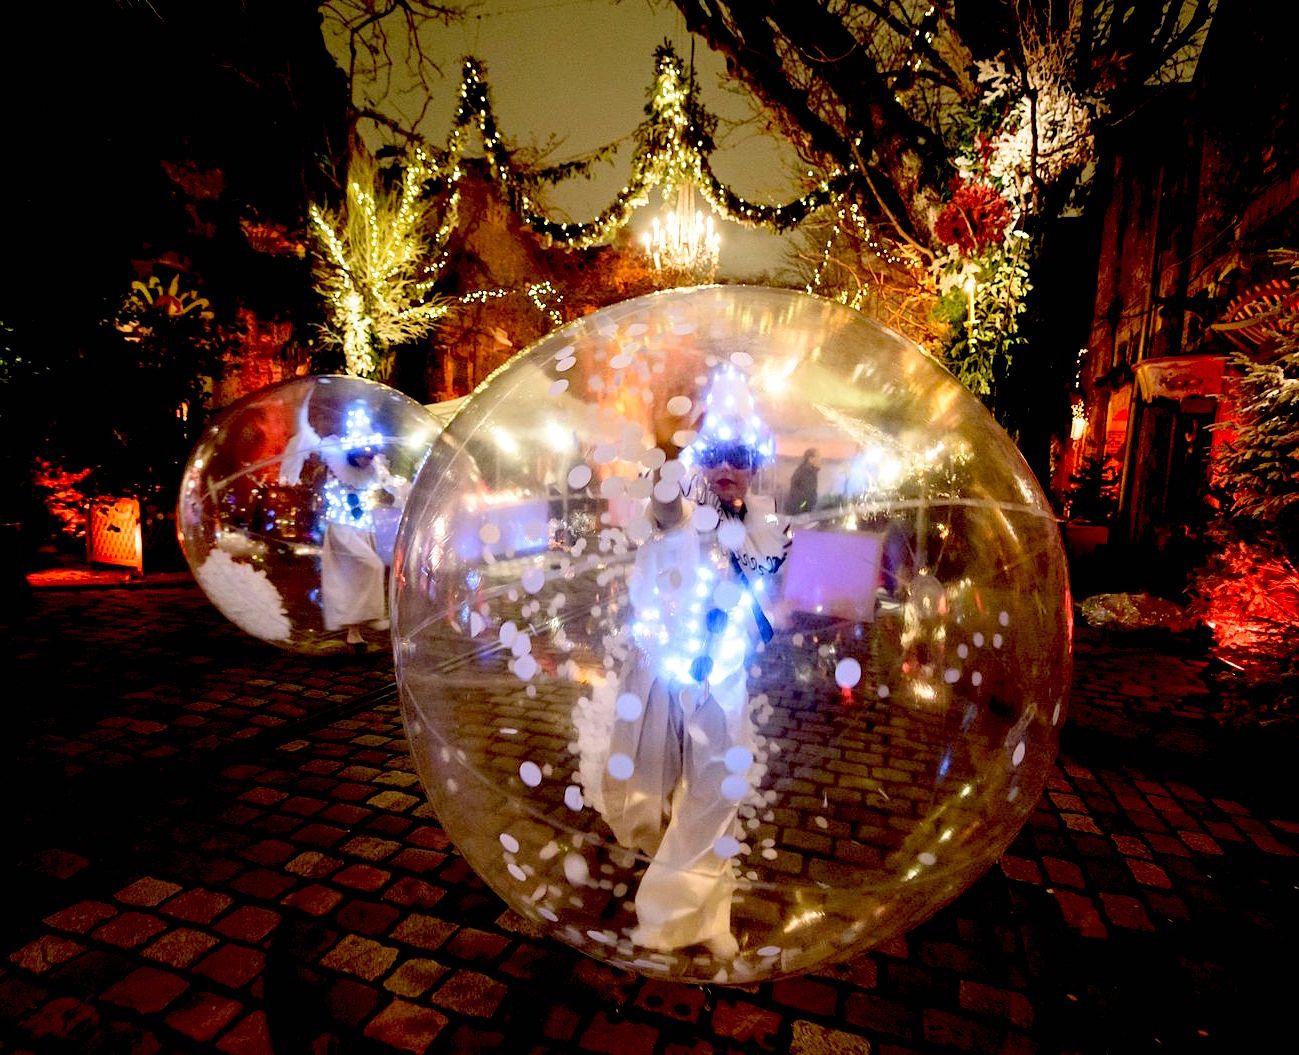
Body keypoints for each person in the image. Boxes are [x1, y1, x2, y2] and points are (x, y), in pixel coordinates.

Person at [598, 364, 790, 959]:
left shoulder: (768, 526)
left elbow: (767, 589)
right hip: (661, 671)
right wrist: (670, 444)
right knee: (643, 787)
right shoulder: (676, 507)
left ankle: (684, 916)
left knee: (714, 792)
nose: (727, 469)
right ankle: (658, 862)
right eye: (715, 456)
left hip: (721, 680)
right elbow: (662, 504)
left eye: (740, 457)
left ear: (754, 465)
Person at [318, 402, 408, 650]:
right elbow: (338, 490)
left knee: (356, 576)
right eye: (363, 456)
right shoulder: (337, 466)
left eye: (370, 456)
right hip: (342, 529)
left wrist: (394, 493)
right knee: (372, 566)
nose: (367, 460)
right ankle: (373, 615)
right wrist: (349, 494)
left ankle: (355, 631)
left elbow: (388, 486)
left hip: (363, 528)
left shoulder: (373, 468)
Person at [786, 447, 820, 515]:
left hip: (803, 508)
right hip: (800, 510)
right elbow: (806, 493)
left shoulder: (809, 471)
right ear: (810, 459)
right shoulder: (805, 472)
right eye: (818, 457)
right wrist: (803, 507)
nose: (819, 459)